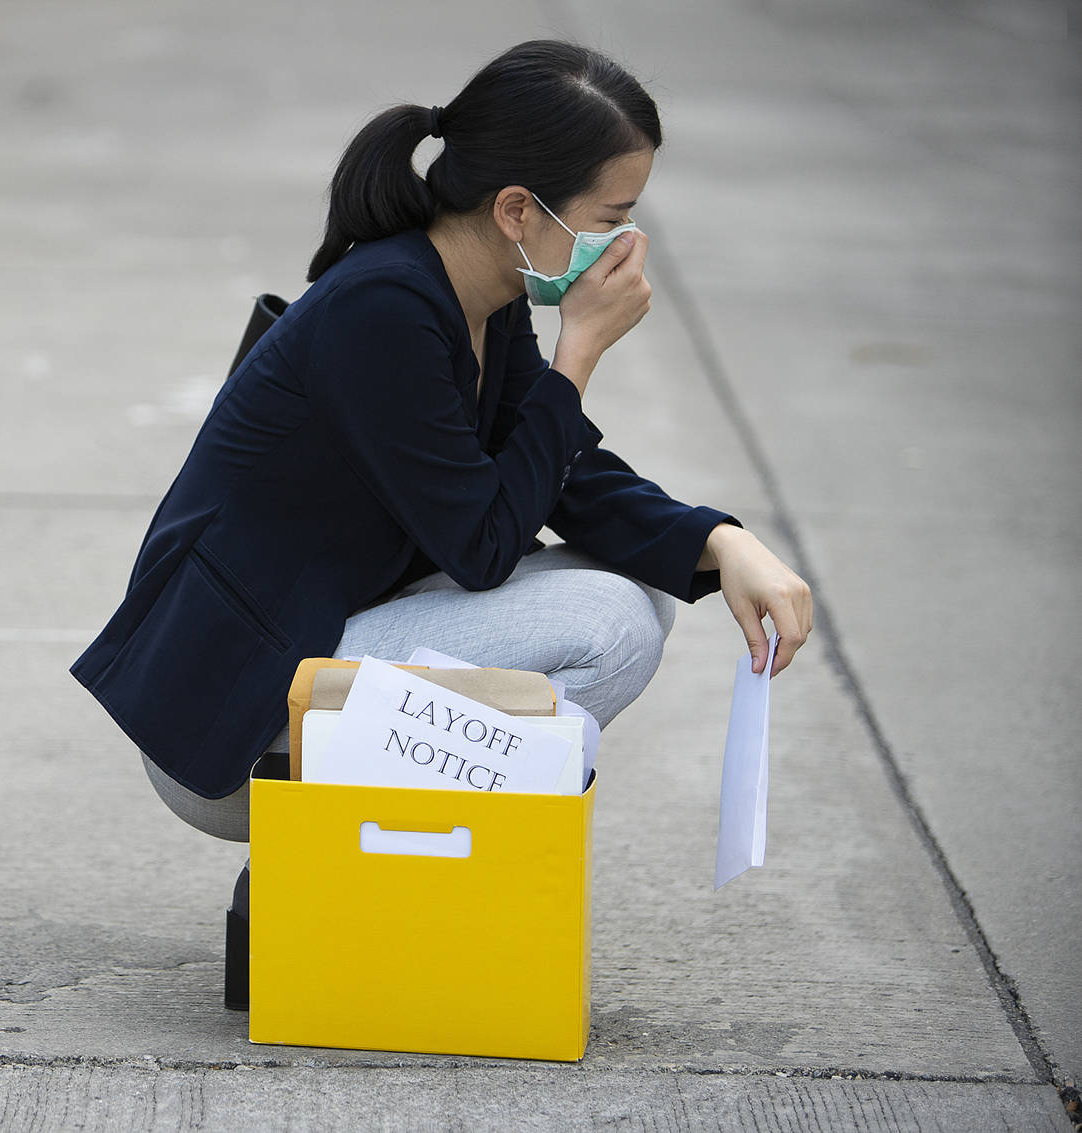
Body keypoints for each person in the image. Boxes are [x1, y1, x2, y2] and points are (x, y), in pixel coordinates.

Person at [69, 41, 812, 848]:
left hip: (319, 640)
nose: (627, 246)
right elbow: (483, 544)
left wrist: (718, 539)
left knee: (639, 587)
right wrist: (580, 355)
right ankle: (393, 855)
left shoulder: (482, 297)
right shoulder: (385, 310)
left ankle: (414, 861)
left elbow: (562, 472)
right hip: (235, 716)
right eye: (612, 219)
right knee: (610, 625)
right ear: (518, 211)